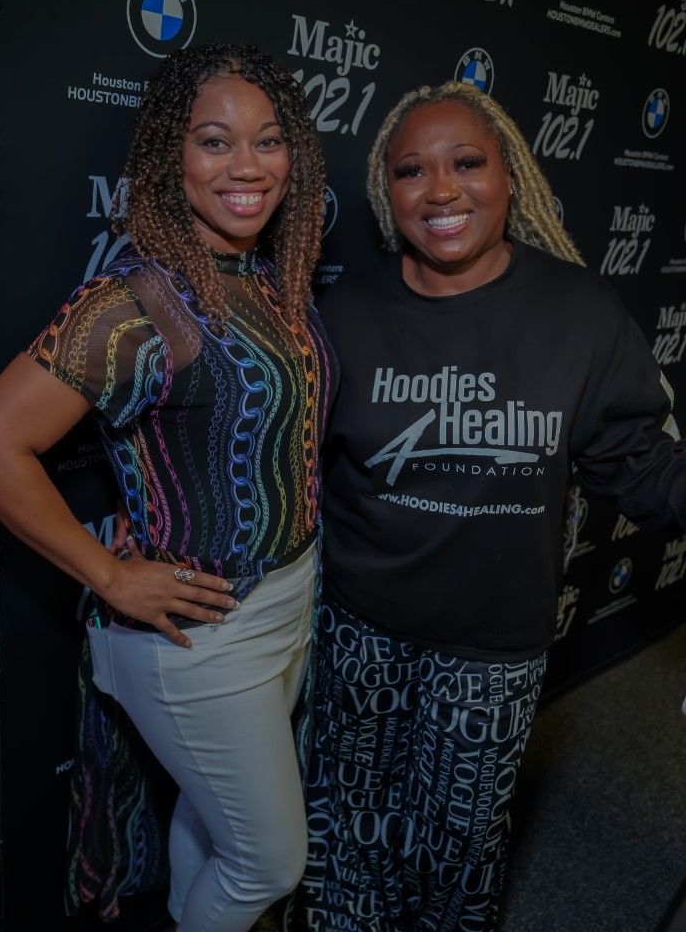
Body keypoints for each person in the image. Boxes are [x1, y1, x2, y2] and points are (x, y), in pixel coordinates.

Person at [285, 80, 686, 932]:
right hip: (360, 633)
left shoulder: (578, 313)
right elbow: (283, 467)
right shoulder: (343, 316)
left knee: (458, 854)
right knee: (348, 839)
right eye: (410, 170)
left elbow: (637, 462)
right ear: (386, 192)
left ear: (511, 175)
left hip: (493, 649)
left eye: (466, 162)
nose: (440, 190)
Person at [0, 43, 336, 932]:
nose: (247, 166)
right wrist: (109, 573)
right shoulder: (133, 303)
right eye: (215, 141)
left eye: (268, 141)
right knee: (270, 861)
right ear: (173, 156)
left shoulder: (271, 276)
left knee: (215, 829)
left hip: (289, 601)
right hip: (198, 636)